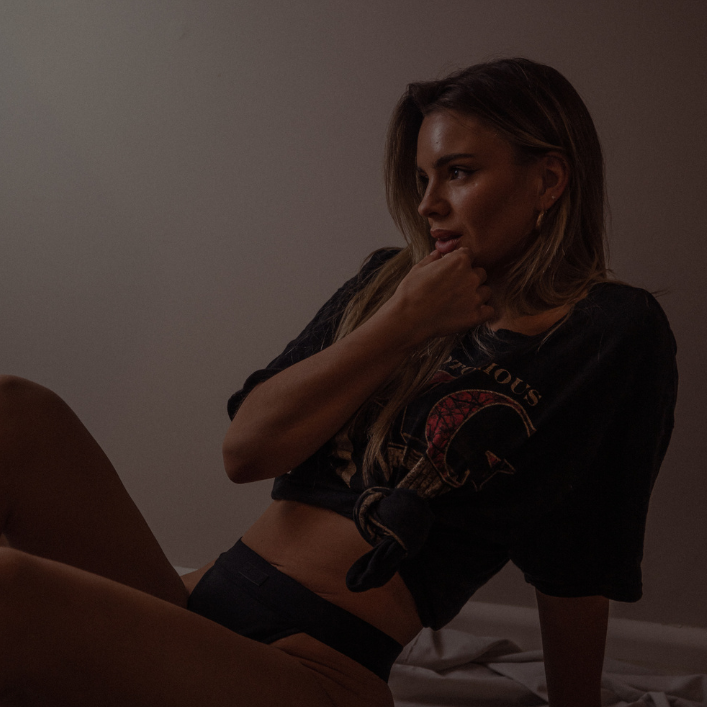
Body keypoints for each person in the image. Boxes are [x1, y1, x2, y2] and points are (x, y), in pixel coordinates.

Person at [0, 58, 676, 707]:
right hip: (198, 612)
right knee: (16, 409)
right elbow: (246, 451)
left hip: (313, 668)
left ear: (548, 180)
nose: (429, 203)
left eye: (458, 172)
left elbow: (580, 557)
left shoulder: (608, 330)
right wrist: (401, 324)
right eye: (422, 179)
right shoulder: (390, 282)